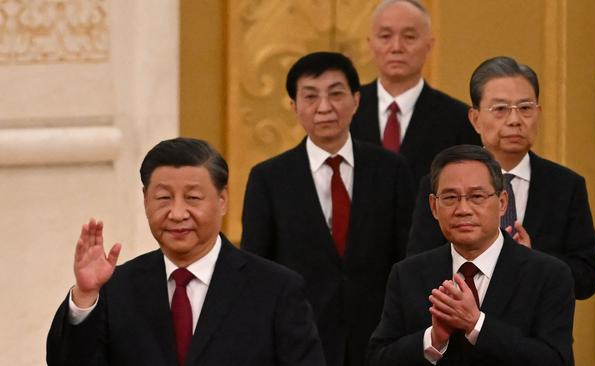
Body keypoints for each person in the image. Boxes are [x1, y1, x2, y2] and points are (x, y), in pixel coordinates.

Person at [46, 137, 325, 366]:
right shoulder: (114, 289)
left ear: (222, 200)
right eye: (164, 198)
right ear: (145, 201)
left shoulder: (276, 289)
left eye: (192, 198)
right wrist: (84, 297)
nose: (177, 213)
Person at [241, 52, 413, 366]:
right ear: (294, 107)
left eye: (336, 94)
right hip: (298, 339)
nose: (324, 107)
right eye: (310, 96)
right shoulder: (268, 178)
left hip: (380, 340)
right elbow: (257, 267)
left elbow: (408, 257)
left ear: (356, 100)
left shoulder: (391, 170)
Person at [407, 56, 595, 300]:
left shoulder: (565, 186)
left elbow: (587, 278)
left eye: (526, 108)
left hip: (536, 333)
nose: (514, 120)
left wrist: (534, 261)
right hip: (456, 330)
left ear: (538, 113)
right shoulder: (441, 183)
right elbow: (416, 268)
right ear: (475, 119)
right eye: (500, 109)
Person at [367, 144, 575, 366]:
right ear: (434, 207)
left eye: (476, 196)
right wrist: (433, 340)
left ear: (502, 202)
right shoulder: (407, 274)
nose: (463, 209)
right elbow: (378, 358)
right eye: (450, 198)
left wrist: (477, 325)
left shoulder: (549, 275)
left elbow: (556, 360)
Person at [351, 0, 481, 190]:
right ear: (370, 44)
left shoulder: (459, 120)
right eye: (385, 36)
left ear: (429, 44)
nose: (396, 47)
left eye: (409, 37)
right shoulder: (345, 110)